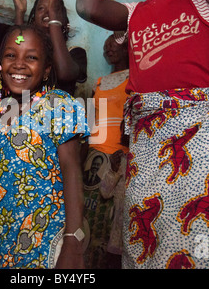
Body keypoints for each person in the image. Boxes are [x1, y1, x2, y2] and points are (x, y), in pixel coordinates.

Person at [77, 0, 209, 268]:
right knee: (146, 246)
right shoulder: (134, 14)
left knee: (202, 245)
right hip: (147, 150)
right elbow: (88, 6)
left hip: (199, 141)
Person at [0, 24, 89, 269]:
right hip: (5, 244)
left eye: (31, 57)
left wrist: (73, 239)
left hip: (49, 242)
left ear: (47, 68)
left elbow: (73, 172)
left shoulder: (59, 105)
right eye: (11, 55)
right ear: (0, 66)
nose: (19, 64)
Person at [82, 33, 130, 268]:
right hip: (93, 159)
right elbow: (89, 123)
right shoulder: (98, 83)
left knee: (109, 224)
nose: (109, 46)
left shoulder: (135, 80)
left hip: (117, 160)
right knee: (85, 220)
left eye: (116, 42)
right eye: (106, 44)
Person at [7, 0, 87, 95]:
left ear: (65, 21)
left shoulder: (76, 52)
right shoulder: (29, 50)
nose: (47, 12)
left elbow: (64, 73)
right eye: (41, 8)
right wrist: (19, 13)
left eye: (53, 8)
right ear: (33, 20)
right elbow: (18, 50)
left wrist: (53, 17)